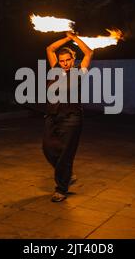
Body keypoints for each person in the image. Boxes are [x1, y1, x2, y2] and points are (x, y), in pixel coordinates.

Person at [43, 31, 93, 202]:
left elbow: (89, 52)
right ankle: (67, 173)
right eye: (62, 60)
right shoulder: (55, 69)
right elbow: (50, 48)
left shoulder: (80, 71)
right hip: (52, 115)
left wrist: (75, 38)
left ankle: (61, 189)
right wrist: (66, 37)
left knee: (66, 153)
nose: (64, 63)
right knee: (48, 148)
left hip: (72, 118)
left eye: (67, 60)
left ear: (73, 59)